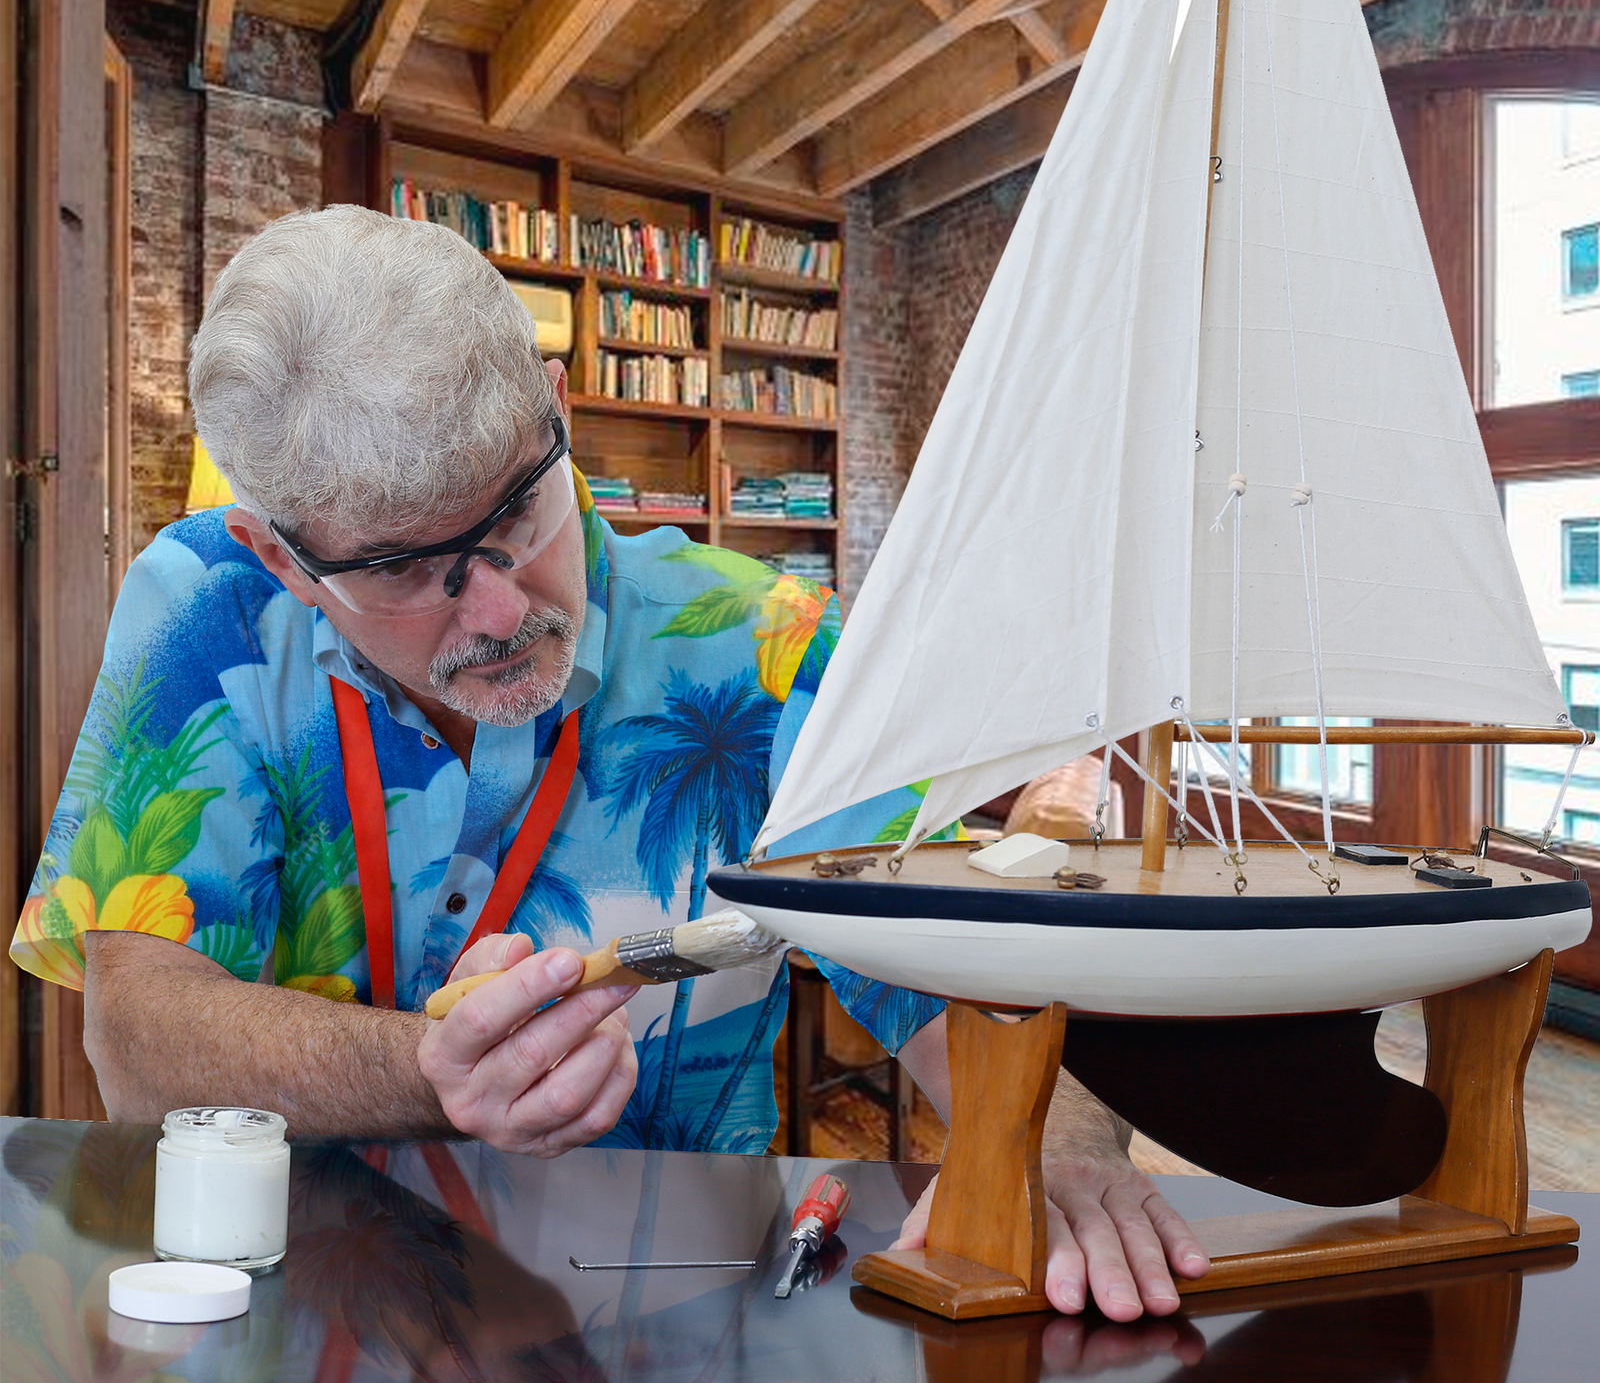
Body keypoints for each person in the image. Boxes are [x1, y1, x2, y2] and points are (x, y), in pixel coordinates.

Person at [8, 205, 1207, 1319]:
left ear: (557, 404)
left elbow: (971, 974)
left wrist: (1053, 1151)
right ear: (279, 556)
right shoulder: (205, 602)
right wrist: (431, 1070)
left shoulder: (763, 647)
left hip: (695, 1323)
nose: (491, 609)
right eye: (400, 570)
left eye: (517, 512)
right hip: (290, 1313)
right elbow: (137, 1043)